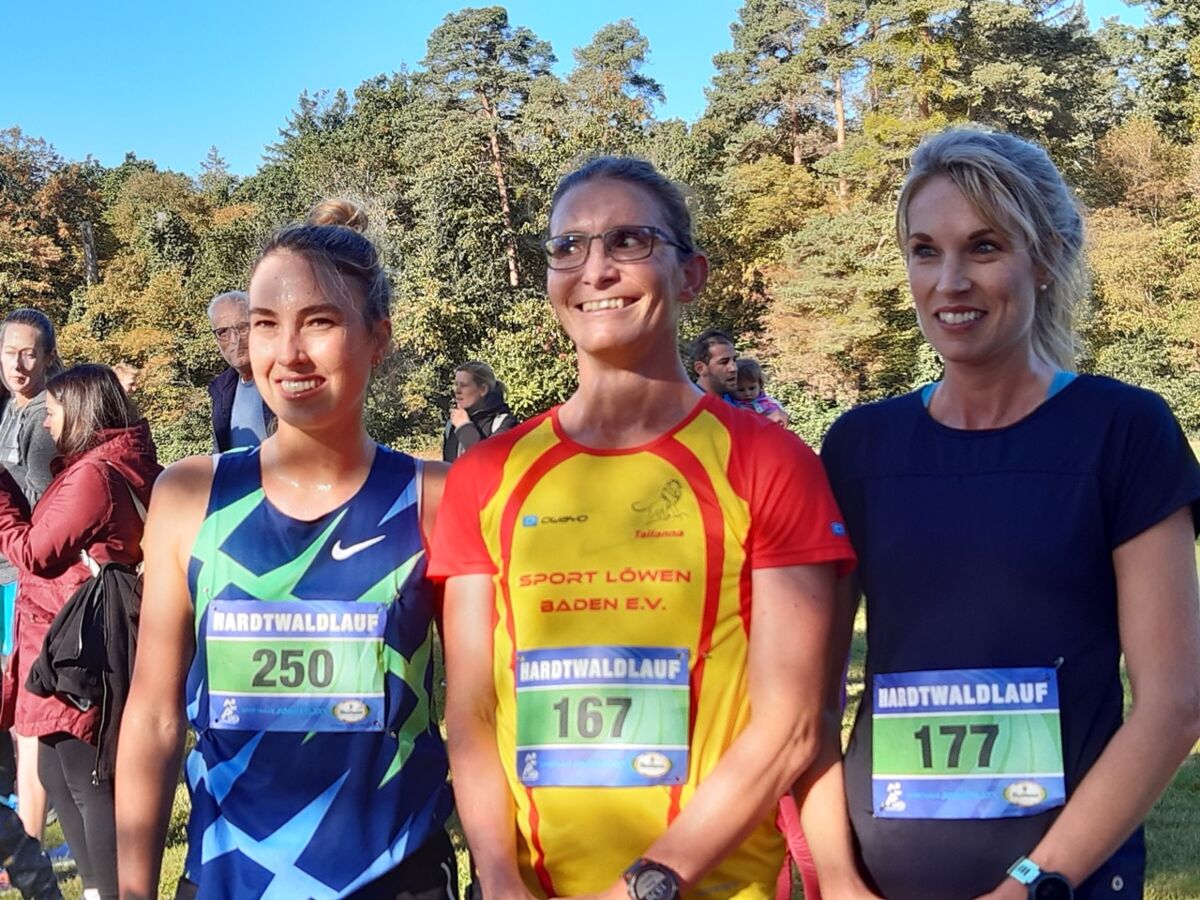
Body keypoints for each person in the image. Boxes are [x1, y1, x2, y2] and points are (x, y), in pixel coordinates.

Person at [430, 157, 865, 899]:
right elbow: (471, 713)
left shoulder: (768, 461)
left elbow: (792, 726)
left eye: (628, 241)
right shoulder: (487, 473)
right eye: (568, 246)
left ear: (690, 275)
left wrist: (640, 888)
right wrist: (498, 880)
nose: (595, 268)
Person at [820, 126, 1200, 900]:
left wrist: (1032, 883)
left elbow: (1173, 703)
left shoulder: (1123, 431)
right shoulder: (859, 446)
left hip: (1063, 884)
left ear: (1047, 258)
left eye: (984, 247)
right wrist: (835, 876)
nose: (950, 280)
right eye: (925, 251)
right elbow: (810, 705)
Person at [115, 200, 457, 899]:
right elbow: (153, 717)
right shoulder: (189, 496)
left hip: (396, 878)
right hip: (229, 878)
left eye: (320, 321)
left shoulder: (435, 496)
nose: (289, 352)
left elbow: (479, 715)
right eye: (266, 324)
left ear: (379, 338)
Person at [0, 363, 160, 900]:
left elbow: (34, 551)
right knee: (55, 768)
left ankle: (108, 890)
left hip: (77, 641)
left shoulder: (94, 475)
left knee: (86, 776)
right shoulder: (120, 460)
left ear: (81, 412)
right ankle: (97, 888)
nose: (47, 424)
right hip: (78, 634)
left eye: (52, 412)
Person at [0, 309, 62, 843]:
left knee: (29, 713)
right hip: (4, 573)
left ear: (47, 357)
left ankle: (31, 839)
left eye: (29, 354)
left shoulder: (49, 414)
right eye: (9, 352)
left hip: (30, 577)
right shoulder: (9, 409)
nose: (18, 364)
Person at [206, 291, 274, 452]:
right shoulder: (221, 391)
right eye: (223, 332)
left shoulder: (285, 379)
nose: (235, 339)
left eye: (243, 328)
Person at [441, 361, 518, 462]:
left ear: (483, 389)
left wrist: (465, 428)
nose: (457, 391)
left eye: (463, 385)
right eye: (456, 384)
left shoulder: (504, 423)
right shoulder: (451, 425)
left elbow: (489, 461)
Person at [732, 358, 789, 427]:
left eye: (752, 388)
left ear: (760, 385)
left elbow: (780, 418)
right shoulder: (730, 403)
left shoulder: (768, 403)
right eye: (741, 390)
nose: (747, 393)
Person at [689, 328, 737, 399]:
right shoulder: (688, 403)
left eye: (734, 360)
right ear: (700, 368)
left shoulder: (739, 400)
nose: (734, 368)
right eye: (724, 362)